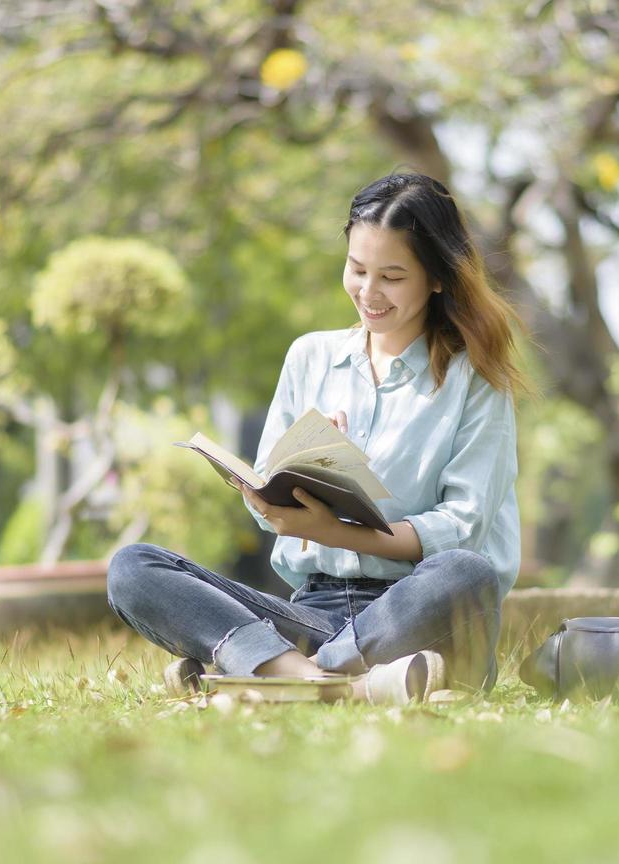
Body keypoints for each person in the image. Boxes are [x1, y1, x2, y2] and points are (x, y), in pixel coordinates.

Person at [106, 171, 536, 704]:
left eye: (393, 277)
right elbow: (267, 500)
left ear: (438, 278)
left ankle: (264, 671)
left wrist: (337, 531)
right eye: (357, 269)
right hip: (311, 610)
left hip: (417, 612)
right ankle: (336, 685)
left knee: (468, 573)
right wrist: (301, 469)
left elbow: (462, 529)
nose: (369, 292)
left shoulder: (475, 378)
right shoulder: (310, 357)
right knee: (133, 568)